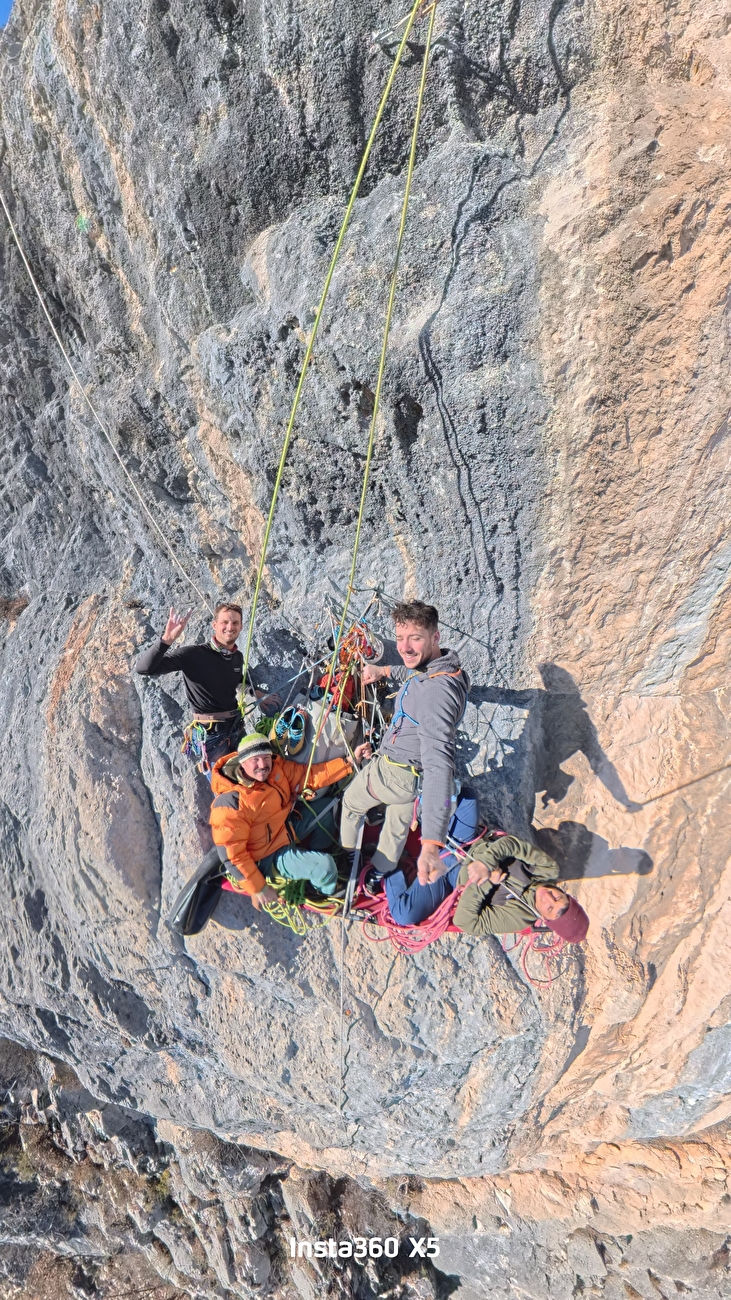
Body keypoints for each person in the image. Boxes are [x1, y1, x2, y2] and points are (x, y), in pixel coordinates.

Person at [340, 600, 469, 884]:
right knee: (396, 827)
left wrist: (431, 844)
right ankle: (379, 872)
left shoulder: (436, 694)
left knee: (350, 803)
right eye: (400, 638)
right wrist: (384, 671)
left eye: (415, 638)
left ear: (435, 637)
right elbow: (414, 672)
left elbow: (439, 764)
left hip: (393, 772)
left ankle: (350, 857)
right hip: (412, 779)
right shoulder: (445, 669)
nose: (405, 648)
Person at [210, 733, 369, 910]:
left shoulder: (276, 770)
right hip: (267, 856)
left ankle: (318, 858)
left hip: (286, 828)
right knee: (326, 867)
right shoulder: (230, 803)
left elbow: (309, 776)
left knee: (327, 808)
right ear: (242, 762)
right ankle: (323, 891)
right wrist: (259, 888)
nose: (262, 765)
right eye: (255, 760)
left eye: (266, 757)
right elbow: (233, 856)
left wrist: (350, 762)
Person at [134, 603, 279, 779]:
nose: (230, 627)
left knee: (253, 779)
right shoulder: (192, 655)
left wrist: (255, 693)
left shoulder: (236, 657)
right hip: (212, 736)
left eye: (235, 623)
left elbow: (236, 680)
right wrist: (166, 640)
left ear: (241, 626)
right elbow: (145, 669)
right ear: (214, 625)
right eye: (225, 622)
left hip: (236, 727)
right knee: (226, 786)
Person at [452, 834, 589, 942]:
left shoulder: (519, 917)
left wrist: (485, 882)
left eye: (549, 908)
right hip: (470, 842)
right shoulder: (548, 870)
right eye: (557, 897)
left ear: (544, 918)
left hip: (453, 878)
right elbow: (513, 844)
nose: (547, 896)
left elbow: (465, 923)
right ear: (564, 893)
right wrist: (486, 864)